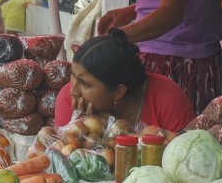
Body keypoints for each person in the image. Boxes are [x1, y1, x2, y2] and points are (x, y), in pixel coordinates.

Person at [54, 29, 195, 133]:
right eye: (73, 76)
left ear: (119, 91)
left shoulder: (167, 97)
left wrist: (118, 133)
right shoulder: (69, 98)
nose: (73, 90)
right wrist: (83, 131)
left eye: (85, 84)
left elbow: (186, 152)